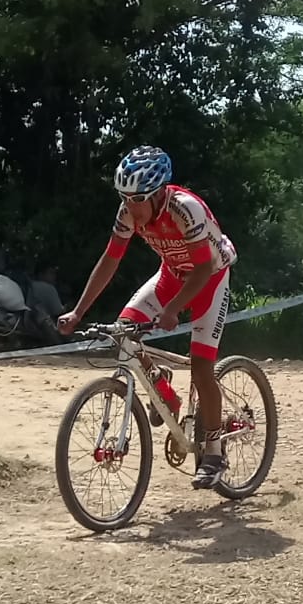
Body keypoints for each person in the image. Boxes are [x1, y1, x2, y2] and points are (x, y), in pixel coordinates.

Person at [57, 145, 237, 489]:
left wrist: (173, 310)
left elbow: (202, 269)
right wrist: (79, 311)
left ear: (157, 195)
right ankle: (166, 393)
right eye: (124, 198)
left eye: (136, 199)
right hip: (171, 274)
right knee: (125, 331)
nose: (129, 207)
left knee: (201, 367)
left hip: (209, 277)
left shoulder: (186, 210)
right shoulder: (127, 213)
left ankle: (214, 451)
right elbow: (110, 259)